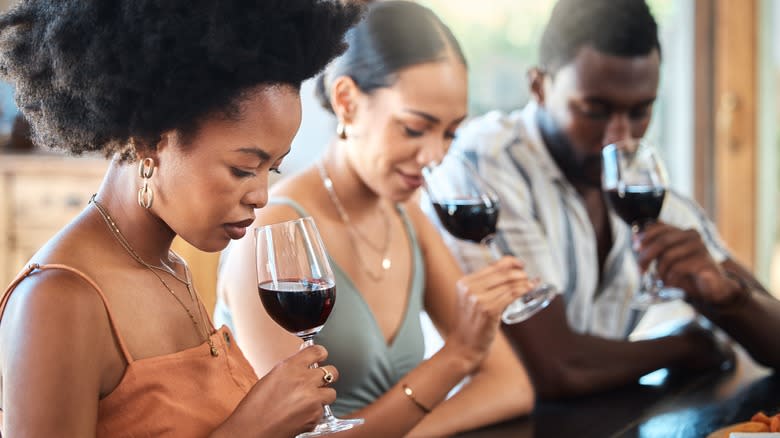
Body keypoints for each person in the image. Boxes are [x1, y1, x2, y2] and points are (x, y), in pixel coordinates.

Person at [0, 1, 359, 436]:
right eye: (244, 169)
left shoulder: (173, 269)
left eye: (273, 169)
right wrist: (254, 426)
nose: (262, 195)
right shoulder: (58, 300)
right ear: (152, 140)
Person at [426, 0, 780, 401]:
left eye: (640, 111)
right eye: (594, 110)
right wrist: (688, 345)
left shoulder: (636, 184)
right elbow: (560, 369)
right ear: (539, 86)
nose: (620, 137)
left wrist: (729, 298)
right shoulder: (487, 168)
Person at [216, 2, 535, 436]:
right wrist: (456, 357)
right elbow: (301, 434)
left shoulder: (407, 217)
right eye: (414, 128)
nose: (435, 156)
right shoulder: (272, 233)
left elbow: (511, 385)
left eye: (450, 133)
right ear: (347, 101)